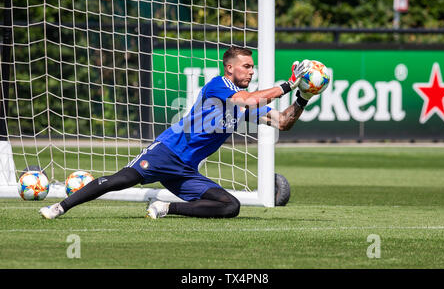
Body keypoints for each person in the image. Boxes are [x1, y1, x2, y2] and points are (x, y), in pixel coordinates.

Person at [39, 46, 315, 220]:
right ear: (229, 67)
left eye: (252, 67)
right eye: (246, 66)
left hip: (185, 171)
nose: (251, 71)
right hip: (166, 152)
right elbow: (248, 99)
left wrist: (303, 97)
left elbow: (282, 122)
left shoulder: (243, 103)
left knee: (230, 206)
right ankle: (59, 208)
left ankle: (165, 207)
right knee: (119, 180)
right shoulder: (220, 85)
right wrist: (289, 84)